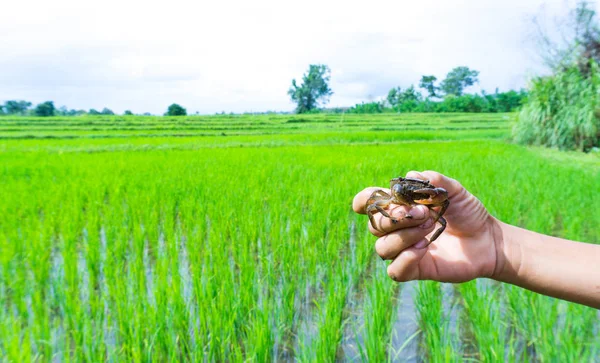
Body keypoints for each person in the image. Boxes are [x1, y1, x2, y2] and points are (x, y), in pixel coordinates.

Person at [352, 170, 600, 309]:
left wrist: (491, 243)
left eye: (421, 185)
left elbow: (443, 198)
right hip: (398, 208)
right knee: (374, 203)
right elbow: (374, 202)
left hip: (458, 231)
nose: (412, 187)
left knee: (441, 216)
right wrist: (390, 217)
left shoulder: (433, 194)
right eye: (406, 184)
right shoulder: (391, 193)